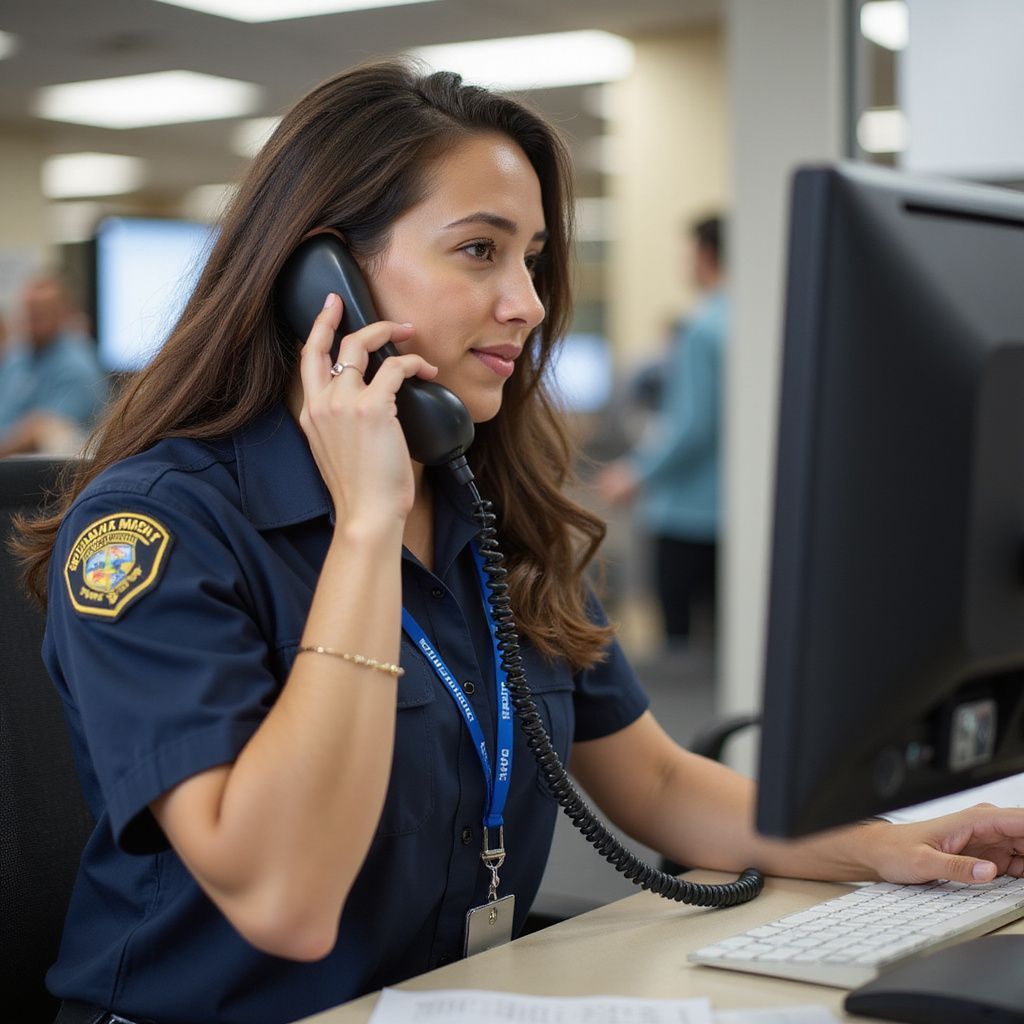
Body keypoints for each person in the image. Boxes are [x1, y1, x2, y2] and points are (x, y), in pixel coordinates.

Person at [14, 61, 1024, 1024]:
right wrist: (364, 527)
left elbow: (660, 782)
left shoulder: (485, 505)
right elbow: (285, 900)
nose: (529, 303)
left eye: (531, 258)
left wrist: (894, 847)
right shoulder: (159, 529)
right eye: (478, 250)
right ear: (322, 280)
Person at [595, 216, 727, 648]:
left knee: (680, 648)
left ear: (705, 255)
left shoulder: (702, 328)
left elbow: (692, 424)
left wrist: (635, 472)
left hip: (687, 514)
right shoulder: (756, 319)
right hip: (733, 513)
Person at [0, 274, 108, 458]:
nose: (32, 320)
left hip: (38, 476)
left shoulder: (77, 367)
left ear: (63, 313)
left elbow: (41, 431)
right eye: (29, 312)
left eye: (41, 313)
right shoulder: (17, 357)